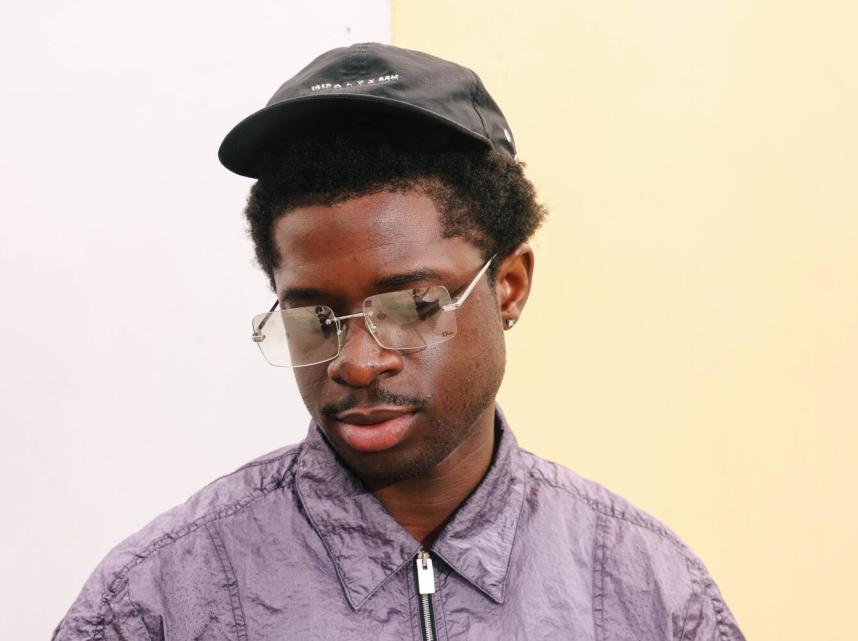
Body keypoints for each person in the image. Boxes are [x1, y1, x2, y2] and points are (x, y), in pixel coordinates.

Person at [52, 43, 745, 641]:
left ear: (508, 285)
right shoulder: (157, 602)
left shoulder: (647, 593)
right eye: (315, 318)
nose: (357, 362)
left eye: (413, 306)